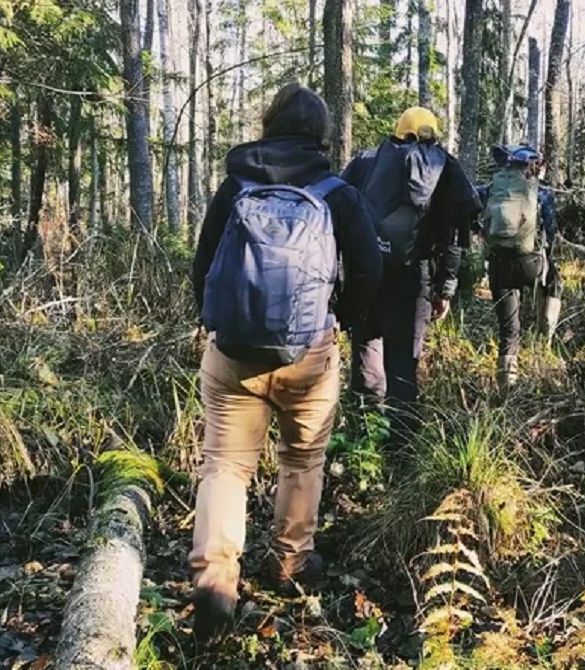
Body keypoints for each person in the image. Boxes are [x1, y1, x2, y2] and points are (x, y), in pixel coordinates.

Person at [188, 83, 382, 639]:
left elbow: (204, 264)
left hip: (231, 353)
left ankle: (215, 580)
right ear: (320, 132)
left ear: (268, 126)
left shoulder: (235, 184)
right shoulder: (336, 192)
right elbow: (368, 271)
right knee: (301, 459)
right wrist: (338, 318)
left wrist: (217, 318)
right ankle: (289, 564)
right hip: (309, 352)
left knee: (224, 465)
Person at [342, 107, 481, 420]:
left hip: (367, 271)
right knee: (403, 359)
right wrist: (445, 289)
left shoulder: (367, 161)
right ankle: (401, 448)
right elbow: (453, 236)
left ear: (398, 130)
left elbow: (344, 213)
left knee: (366, 347)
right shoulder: (444, 168)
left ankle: (364, 436)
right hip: (414, 278)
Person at [475, 144, 562, 387]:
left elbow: (469, 209)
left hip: (498, 266)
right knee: (555, 283)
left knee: (508, 328)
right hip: (530, 263)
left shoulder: (490, 190)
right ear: (532, 167)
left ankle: (507, 384)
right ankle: (545, 342)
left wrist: (481, 232)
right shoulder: (541, 192)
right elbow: (551, 229)